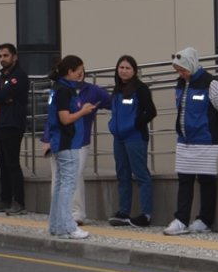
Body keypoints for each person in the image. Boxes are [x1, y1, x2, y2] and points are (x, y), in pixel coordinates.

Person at [164, 47, 218, 236]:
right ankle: (181, 220)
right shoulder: (180, 84)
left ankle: (204, 220)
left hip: (206, 140)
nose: (181, 73)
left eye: (183, 69)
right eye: (178, 70)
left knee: (206, 180)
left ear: (192, 65)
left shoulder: (211, 83)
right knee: (184, 179)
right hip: (185, 141)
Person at [43, 73, 110, 225]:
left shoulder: (93, 91)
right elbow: (52, 115)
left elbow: (112, 102)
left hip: (80, 141)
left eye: (81, 71)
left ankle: (75, 213)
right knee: (59, 178)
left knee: (74, 176)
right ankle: (60, 214)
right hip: (60, 140)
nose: (79, 74)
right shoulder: (59, 90)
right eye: (76, 71)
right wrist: (47, 138)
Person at [47, 55, 98, 239]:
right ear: (70, 71)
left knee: (61, 185)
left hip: (61, 142)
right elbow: (65, 118)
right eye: (79, 71)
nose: (81, 75)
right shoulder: (64, 90)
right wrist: (83, 111)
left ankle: (56, 225)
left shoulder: (58, 88)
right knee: (68, 185)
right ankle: (68, 226)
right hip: (67, 142)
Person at [107, 55, 157, 228]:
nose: (124, 71)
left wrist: (135, 124)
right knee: (122, 175)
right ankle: (123, 212)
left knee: (141, 174)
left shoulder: (141, 89)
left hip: (135, 138)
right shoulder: (117, 89)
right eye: (121, 67)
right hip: (119, 138)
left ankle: (146, 214)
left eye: (128, 68)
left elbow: (151, 111)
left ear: (134, 71)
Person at [0, 43, 29, 215]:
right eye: (0, 56)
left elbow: (1, 94)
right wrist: (2, 98)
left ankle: (18, 202)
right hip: (0, 123)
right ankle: (4, 199)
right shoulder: (2, 76)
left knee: (12, 164)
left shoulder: (18, 75)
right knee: (2, 163)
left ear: (14, 56)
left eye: (5, 55)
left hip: (13, 123)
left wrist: (2, 97)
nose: (2, 59)